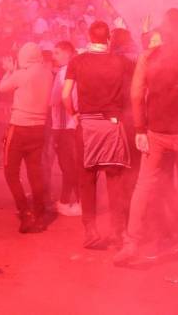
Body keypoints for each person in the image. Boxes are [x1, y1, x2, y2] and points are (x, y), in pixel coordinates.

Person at [115, 9, 178, 270]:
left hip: (156, 132)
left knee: (144, 187)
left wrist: (140, 128)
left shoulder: (149, 57)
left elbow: (137, 94)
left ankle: (131, 245)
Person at [64, 22, 134, 249]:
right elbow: (132, 91)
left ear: (88, 36)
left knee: (87, 179)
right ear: (108, 39)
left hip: (87, 125)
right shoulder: (121, 62)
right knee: (115, 180)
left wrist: (73, 115)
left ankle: (91, 231)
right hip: (112, 126)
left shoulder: (77, 61)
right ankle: (117, 232)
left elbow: (66, 94)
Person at [0, 42, 55, 233]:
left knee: (10, 172)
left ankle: (25, 213)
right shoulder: (48, 73)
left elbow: (2, 88)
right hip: (39, 128)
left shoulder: (22, 74)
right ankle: (39, 215)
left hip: (19, 127)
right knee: (35, 172)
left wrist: (9, 71)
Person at [49, 41, 81, 216]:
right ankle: (67, 200)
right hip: (73, 125)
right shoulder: (75, 69)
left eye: (57, 53)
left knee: (68, 166)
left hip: (64, 126)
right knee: (71, 165)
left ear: (67, 54)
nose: (54, 56)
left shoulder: (63, 72)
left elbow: (55, 100)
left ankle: (75, 201)